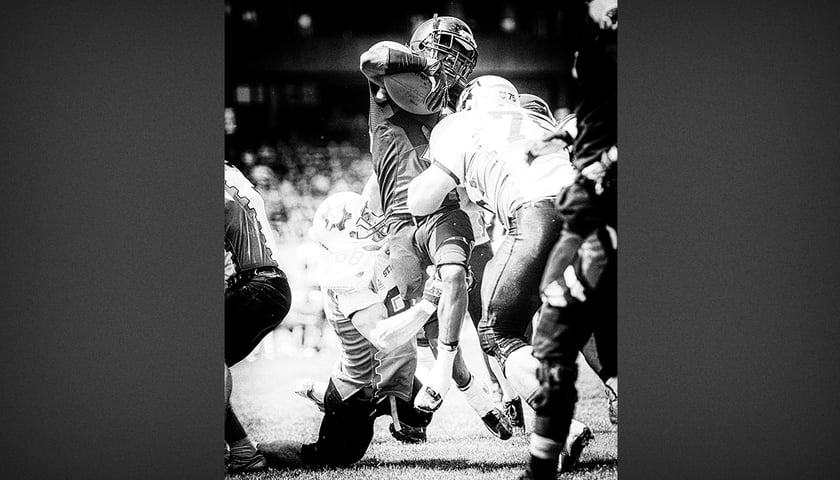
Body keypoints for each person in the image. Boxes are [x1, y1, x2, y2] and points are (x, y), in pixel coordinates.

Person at [407, 75, 593, 471]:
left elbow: (420, 200)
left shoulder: (461, 124)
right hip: (590, 214)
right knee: (589, 319)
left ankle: (564, 426)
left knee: (498, 331)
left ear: (472, 99)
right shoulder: (538, 119)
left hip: (538, 215)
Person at [359, 14, 489, 415]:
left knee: (473, 304)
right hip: (400, 223)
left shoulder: (454, 110)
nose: (449, 63)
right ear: (421, 50)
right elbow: (373, 57)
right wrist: (422, 67)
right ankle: (477, 398)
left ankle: (496, 390)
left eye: (458, 57)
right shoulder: (390, 87)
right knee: (415, 327)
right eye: (443, 51)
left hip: (443, 213)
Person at [224, 161, 293, 473]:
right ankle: (240, 450)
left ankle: (243, 451)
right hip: (267, 284)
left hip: (256, 283)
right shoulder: (229, 172)